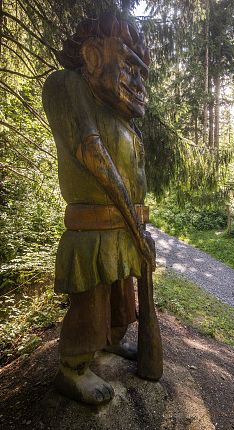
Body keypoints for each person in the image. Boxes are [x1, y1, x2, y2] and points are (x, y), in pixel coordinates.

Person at [42, 11, 162, 405]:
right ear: (93, 55)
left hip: (125, 228)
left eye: (143, 73)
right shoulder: (67, 85)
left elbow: (133, 172)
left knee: (120, 299)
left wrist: (140, 227)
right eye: (130, 65)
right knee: (90, 300)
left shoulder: (122, 116)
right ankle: (73, 366)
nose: (139, 82)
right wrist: (132, 217)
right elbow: (93, 153)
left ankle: (111, 341)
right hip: (92, 228)